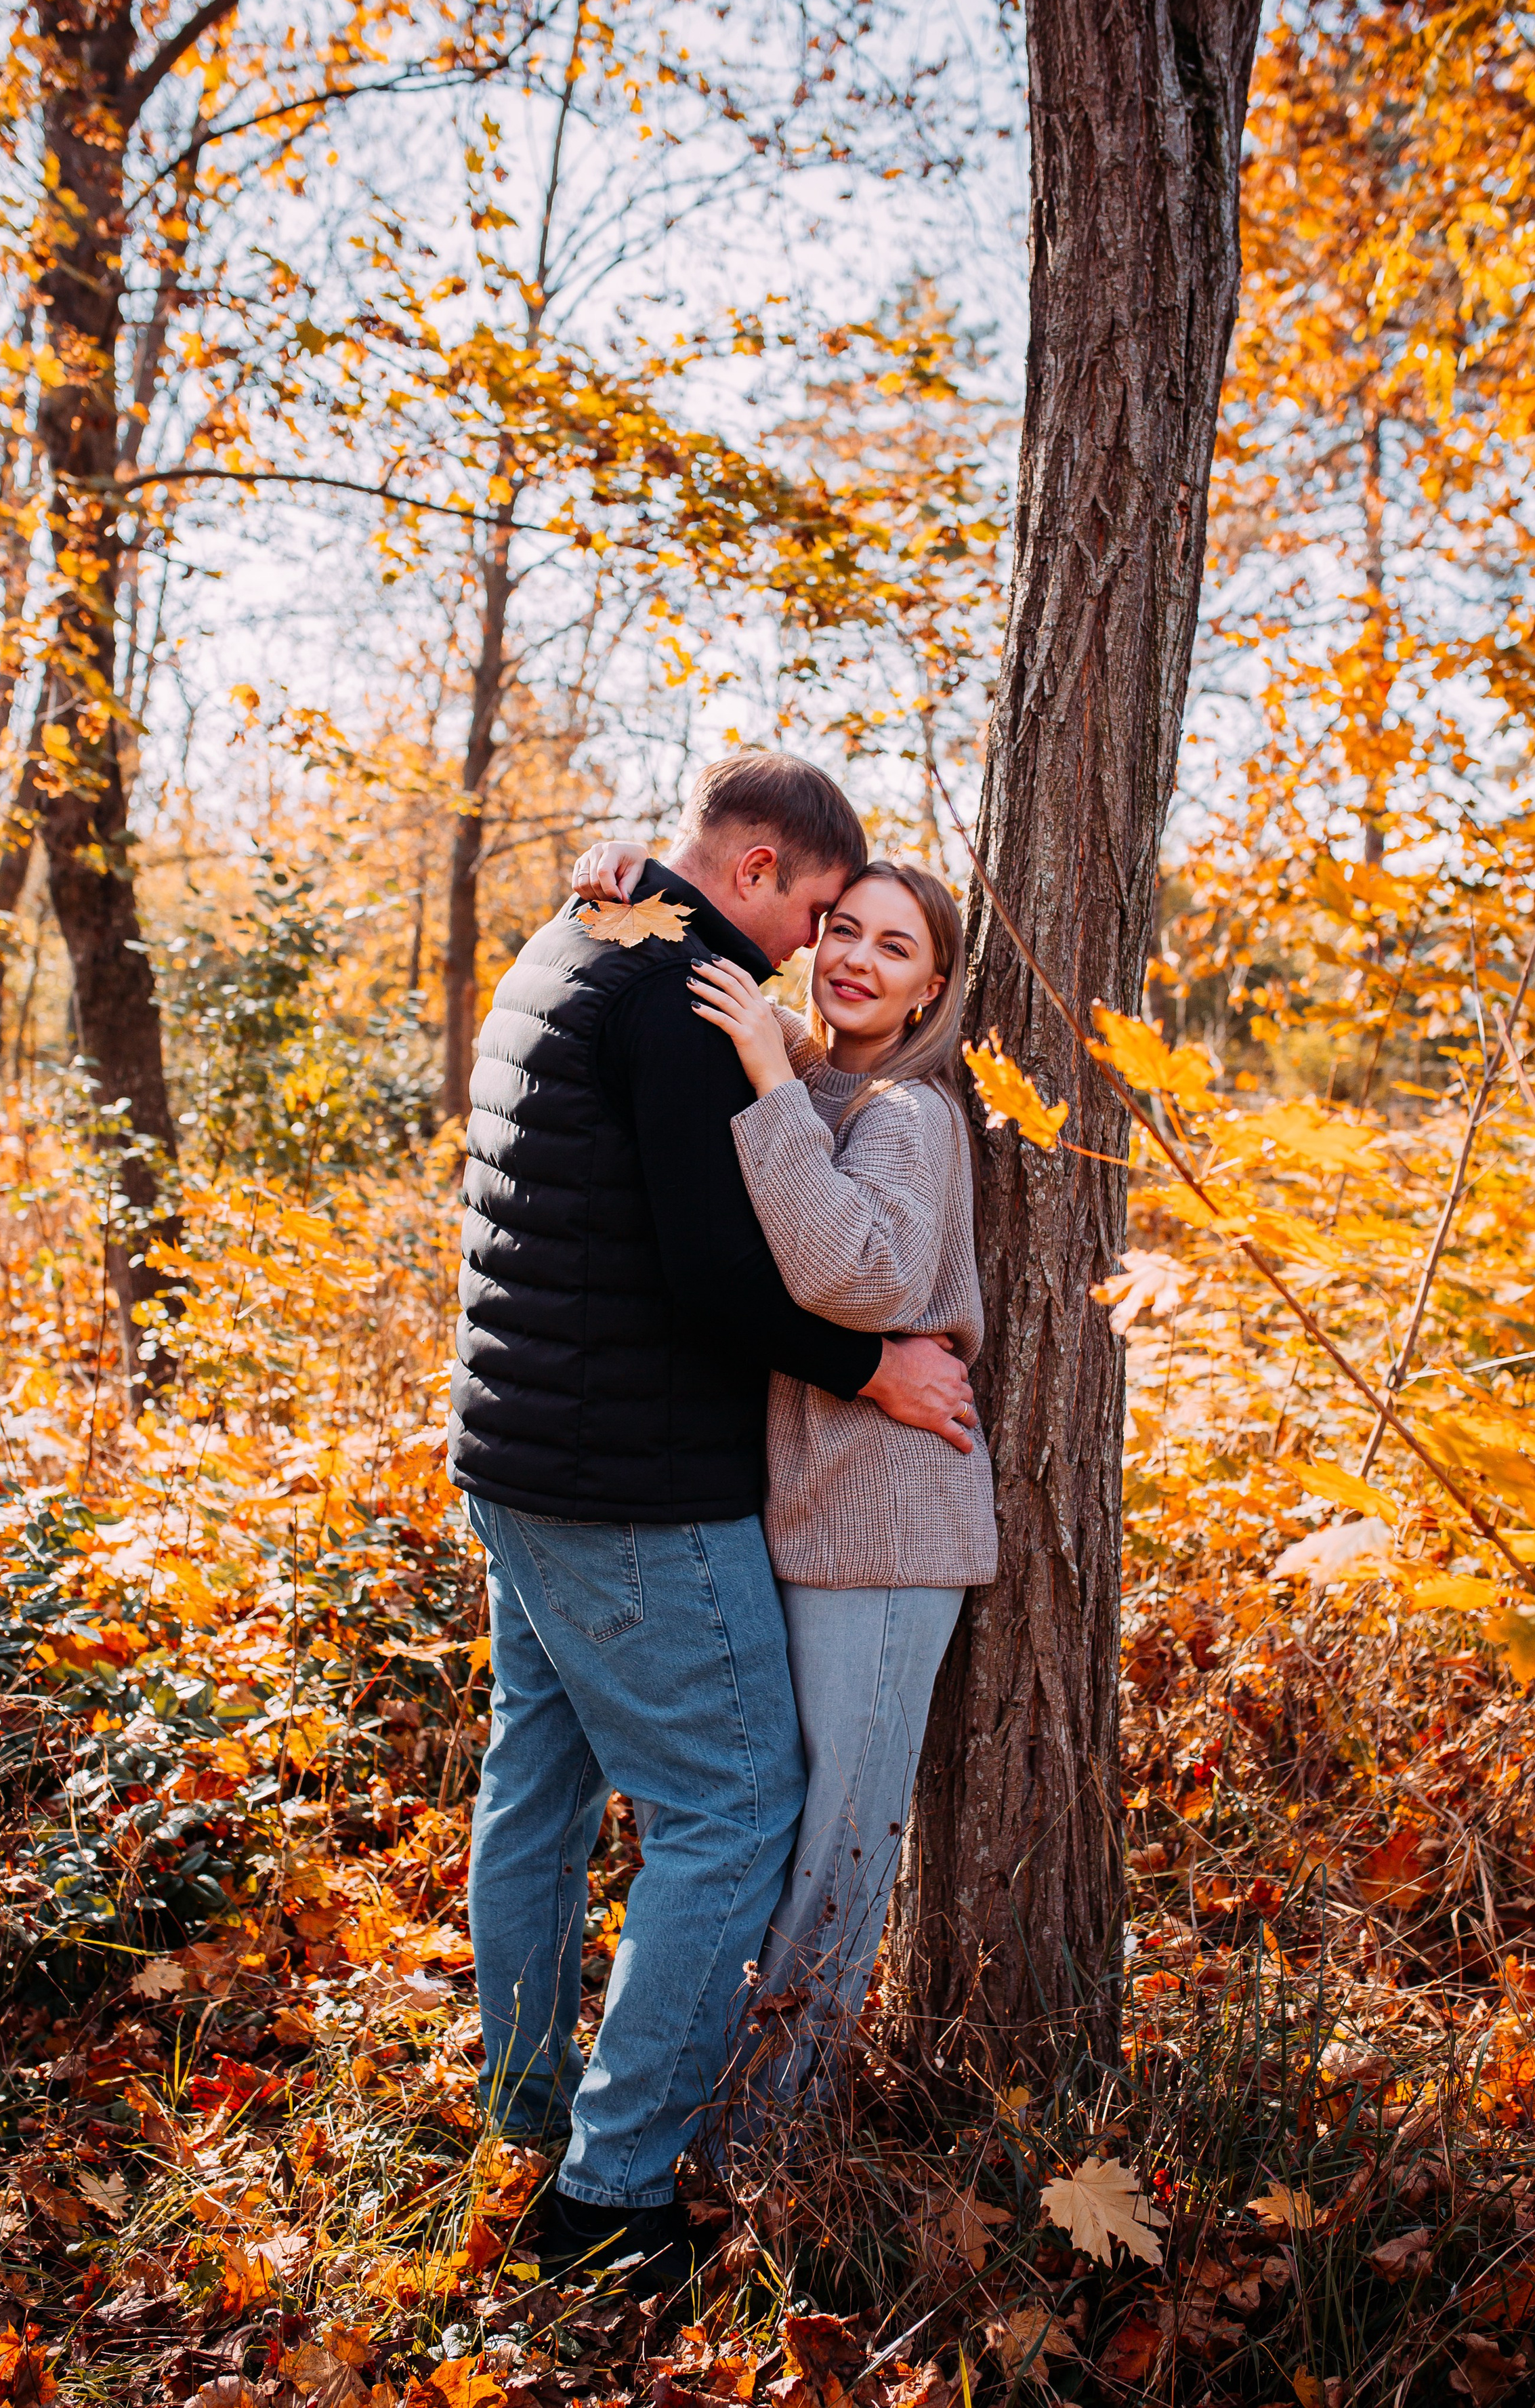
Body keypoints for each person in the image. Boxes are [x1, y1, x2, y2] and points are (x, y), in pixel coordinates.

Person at [449, 749, 977, 2292]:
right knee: (735, 1805)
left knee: (536, 1786)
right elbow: (708, 1270)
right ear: (754, 879)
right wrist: (867, 1368)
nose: (818, 952)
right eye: (819, 913)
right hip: (623, 1478)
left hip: (515, 1447)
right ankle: (610, 2195)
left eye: (868, 937)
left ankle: (526, 2108)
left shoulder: (578, 937)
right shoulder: (683, 988)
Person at [571, 835, 997, 2115]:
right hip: (803, 1524)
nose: (856, 960)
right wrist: (636, 869)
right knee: (769, 1827)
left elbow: (858, 1277)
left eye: (896, 947)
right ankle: (725, 2107)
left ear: (932, 991)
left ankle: (770, 2141)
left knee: (835, 1858)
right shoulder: (822, 1084)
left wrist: (763, 1064)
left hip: (885, 1539)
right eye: (846, 930)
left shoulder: (910, 1116)